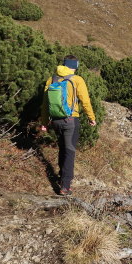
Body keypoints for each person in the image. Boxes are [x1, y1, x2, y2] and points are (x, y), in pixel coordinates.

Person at [40, 55, 96, 195]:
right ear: (75, 65)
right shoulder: (77, 80)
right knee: (69, 151)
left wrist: (44, 122)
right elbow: (85, 101)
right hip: (71, 120)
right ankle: (65, 186)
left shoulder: (51, 79)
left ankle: (61, 177)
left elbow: (45, 104)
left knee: (62, 149)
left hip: (56, 121)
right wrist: (91, 117)